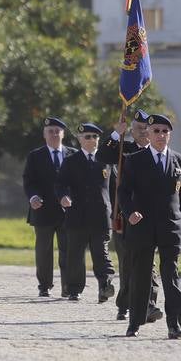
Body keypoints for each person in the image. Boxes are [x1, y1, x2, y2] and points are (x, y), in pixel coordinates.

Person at [118, 114, 181, 339]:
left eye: (165, 131)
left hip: (170, 226)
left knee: (171, 276)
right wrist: (129, 213)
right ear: (147, 134)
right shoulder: (135, 160)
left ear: (170, 135)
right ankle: (135, 323)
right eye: (156, 131)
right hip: (142, 226)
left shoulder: (179, 160)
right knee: (140, 276)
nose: (161, 135)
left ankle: (174, 325)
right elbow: (123, 192)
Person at [98, 110, 162, 323]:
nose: (143, 132)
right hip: (126, 214)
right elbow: (102, 157)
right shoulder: (123, 150)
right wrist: (117, 134)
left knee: (150, 264)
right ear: (131, 131)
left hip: (151, 215)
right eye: (138, 129)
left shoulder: (158, 151)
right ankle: (124, 305)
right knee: (128, 263)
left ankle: (149, 306)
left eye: (146, 129)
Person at [56, 122, 116, 301]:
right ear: (79, 139)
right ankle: (74, 289)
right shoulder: (70, 161)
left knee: (101, 252)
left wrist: (118, 211)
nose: (92, 140)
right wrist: (63, 196)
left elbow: (115, 188)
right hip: (77, 215)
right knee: (75, 253)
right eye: (87, 137)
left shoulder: (107, 161)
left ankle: (105, 286)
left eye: (95, 137)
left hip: (101, 215)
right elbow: (60, 184)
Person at [23, 116, 75, 297]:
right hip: (43, 210)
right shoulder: (35, 156)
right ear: (44, 135)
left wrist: (70, 198)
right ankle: (44, 285)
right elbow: (29, 181)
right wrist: (33, 197)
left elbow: (78, 182)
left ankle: (68, 287)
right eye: (50, 131)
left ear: (63, 134)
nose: (54, 134)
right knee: (44, 251)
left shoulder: (73, 155)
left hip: (67, 211)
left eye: (57, 131)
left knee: (68, 250)